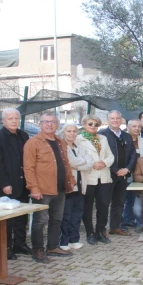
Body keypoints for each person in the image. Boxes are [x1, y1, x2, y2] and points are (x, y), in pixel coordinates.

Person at [23, 112, 76, 263]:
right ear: (40, 124)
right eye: (45, 122)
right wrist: (33, 188)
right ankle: (38, 250)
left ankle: (52, 246)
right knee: (39, 221)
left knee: (56, 219)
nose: (49, 124)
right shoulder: (33, 143)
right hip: (42, 189)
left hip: (59, 188)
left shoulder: (60, 141)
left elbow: (66, 163)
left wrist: (71, 180)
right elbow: (28, 168)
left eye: (52, 122)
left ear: (57, 124)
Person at [0, 108, 31, 260]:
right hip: (8, 184)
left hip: (23, 182)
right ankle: (6, 247)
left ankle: (19, 243)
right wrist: (4, 183)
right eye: (10, 119)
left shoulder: (23, 135)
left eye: (16, 118)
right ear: (3, 121)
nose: (14, 121)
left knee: (22, 216)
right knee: (7, 219)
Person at [76, 114, 115, 245]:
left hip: (103, 176)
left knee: (103, 205)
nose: (93, 126)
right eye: (90, 124)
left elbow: (110, 155)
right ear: (84, 124)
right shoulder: (78, 139)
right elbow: (78, 157)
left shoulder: (103, 138)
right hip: (88, 176)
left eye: (96, 124)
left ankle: (100, 231)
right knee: (87, 206)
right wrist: (93, 164)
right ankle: (89, 233)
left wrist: (104, 163)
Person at [98, 110, 138, 236]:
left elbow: (133, 154)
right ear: (108, 120)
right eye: (112, 118)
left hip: (124, 175)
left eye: (117, 118)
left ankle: (115, 227)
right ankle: (101, 229)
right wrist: (115, 170)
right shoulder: (102, 135)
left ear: (121, 120)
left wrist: (128, 169)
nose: (115, 120)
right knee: (104, 203)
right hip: (107, 174)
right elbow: (102, 156)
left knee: (119, 202)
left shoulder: (126, 136)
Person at [59, 123, 90, 251]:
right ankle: (63, 241)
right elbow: (69, 161)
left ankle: (74, 239)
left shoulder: (80, 146)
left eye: (74, 131)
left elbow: (90, 163)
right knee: (66, 215)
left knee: (77, 214)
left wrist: (78, 164)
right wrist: (82, 162)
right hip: (69, 186)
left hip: (81, 186)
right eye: (69, 131)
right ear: (63, 132)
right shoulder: (61, 146)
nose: (72, 133)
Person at [121, 119, 143, 229]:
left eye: (139, 126)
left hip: (137, 176)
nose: (137, 128)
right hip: (123, 174)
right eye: (134, 126)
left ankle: (131, 220)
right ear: (128, 128)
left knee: (134, 199)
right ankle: (122, 221)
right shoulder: (121, 140)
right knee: (122, 200)